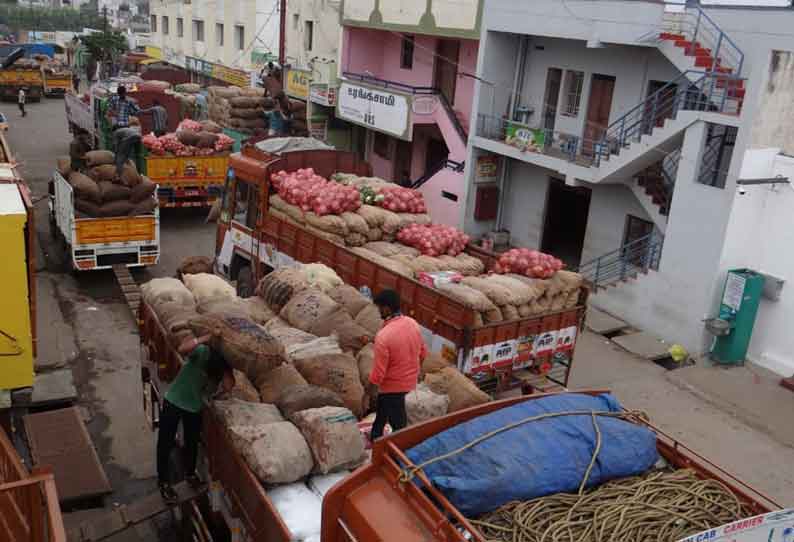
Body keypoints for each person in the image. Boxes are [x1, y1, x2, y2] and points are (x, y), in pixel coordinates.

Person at [157, 330, 233, 503]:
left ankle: (190, 475)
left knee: (191, 444)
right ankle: (164, 483)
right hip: (174, 401)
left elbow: (229, 386)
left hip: (193, 408)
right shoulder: (203, 352)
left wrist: (228, 368)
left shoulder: (221, 367)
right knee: (165, 443)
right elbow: (183, 348)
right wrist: (205, 338)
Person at [368, 289, 427, 441]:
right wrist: (414, 370)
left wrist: (370, 389)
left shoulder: (383, 336)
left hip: (392, 386)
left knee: (398, 422)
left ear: (387, 308)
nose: (378, 311)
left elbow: (379, 372)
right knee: (382, 410)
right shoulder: (412, 324)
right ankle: (376, 434)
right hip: (409, 381)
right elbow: (423, 352)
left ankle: (399, 449)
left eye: (379, 308)